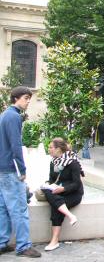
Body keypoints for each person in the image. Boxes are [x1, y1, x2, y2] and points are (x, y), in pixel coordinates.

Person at [0, 86, 41, 257]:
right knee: (19, 208)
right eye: (26, 98)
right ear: (16, 98)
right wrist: (22, 169)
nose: (28, 101)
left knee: (2, 207)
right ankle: (23, 245)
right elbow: (16, 145)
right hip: (10, 169)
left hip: (2, 168)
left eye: (29, 98)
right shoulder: (14, 117)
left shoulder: (4, 115)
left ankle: (2, 242)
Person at [43, 138, 84, 251]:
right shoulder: (53, 162)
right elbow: (51, 180)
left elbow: (76, 184)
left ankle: (54, 241)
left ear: (59, 149)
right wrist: (49, 185)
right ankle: (70, 215)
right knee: (46, 190)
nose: (49, 149)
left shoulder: (72, 162)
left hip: (73, 193)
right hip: (58, 192)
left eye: (51, 147)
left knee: (56, 207)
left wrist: (63, 189)